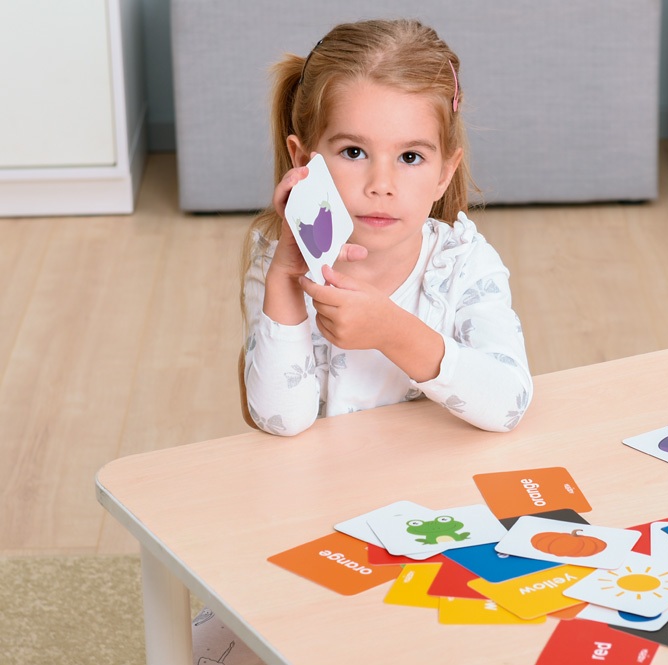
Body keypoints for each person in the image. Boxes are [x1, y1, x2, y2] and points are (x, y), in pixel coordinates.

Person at [195, 19, 533, 664]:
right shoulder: (279, 260)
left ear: (445, 171)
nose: (381, 182)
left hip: (442, 518)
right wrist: (285, 279)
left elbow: (507, 402)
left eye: (410, 157)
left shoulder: (463, 263)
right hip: (317, 523)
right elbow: (280, 418)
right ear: (304, 162)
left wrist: (392, 331)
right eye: (353, 152)